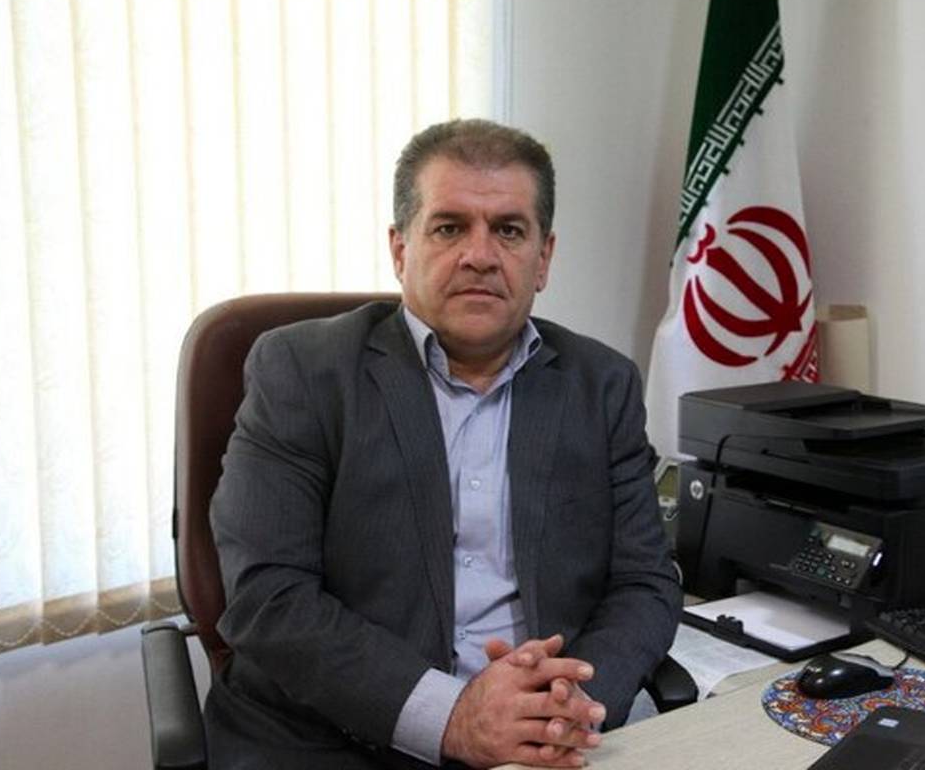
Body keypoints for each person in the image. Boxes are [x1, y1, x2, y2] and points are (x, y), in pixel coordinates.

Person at [204, 119, 683, 769]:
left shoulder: (602, 386)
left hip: (545, 738)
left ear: (543, 258)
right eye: (450, 227)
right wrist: (451, 717)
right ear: (401, 249)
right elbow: (269, 598)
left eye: (508, 230)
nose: (480, 255)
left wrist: (567, 706)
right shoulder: (302, 372)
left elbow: (645, 583)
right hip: (336, 736)